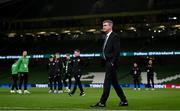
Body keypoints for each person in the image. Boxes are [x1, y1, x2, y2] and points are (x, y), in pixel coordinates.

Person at [91, 20, 128, 107]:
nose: (103, 27)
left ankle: (102, 102)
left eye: (105, 25)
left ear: (110, 26)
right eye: (103, 25)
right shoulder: (106, 36)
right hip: (107, 62)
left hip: (111, 63)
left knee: (107, 82)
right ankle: (124, 100)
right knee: (115, 83)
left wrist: (112, 62)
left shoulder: (114, 36)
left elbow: (117, 51)